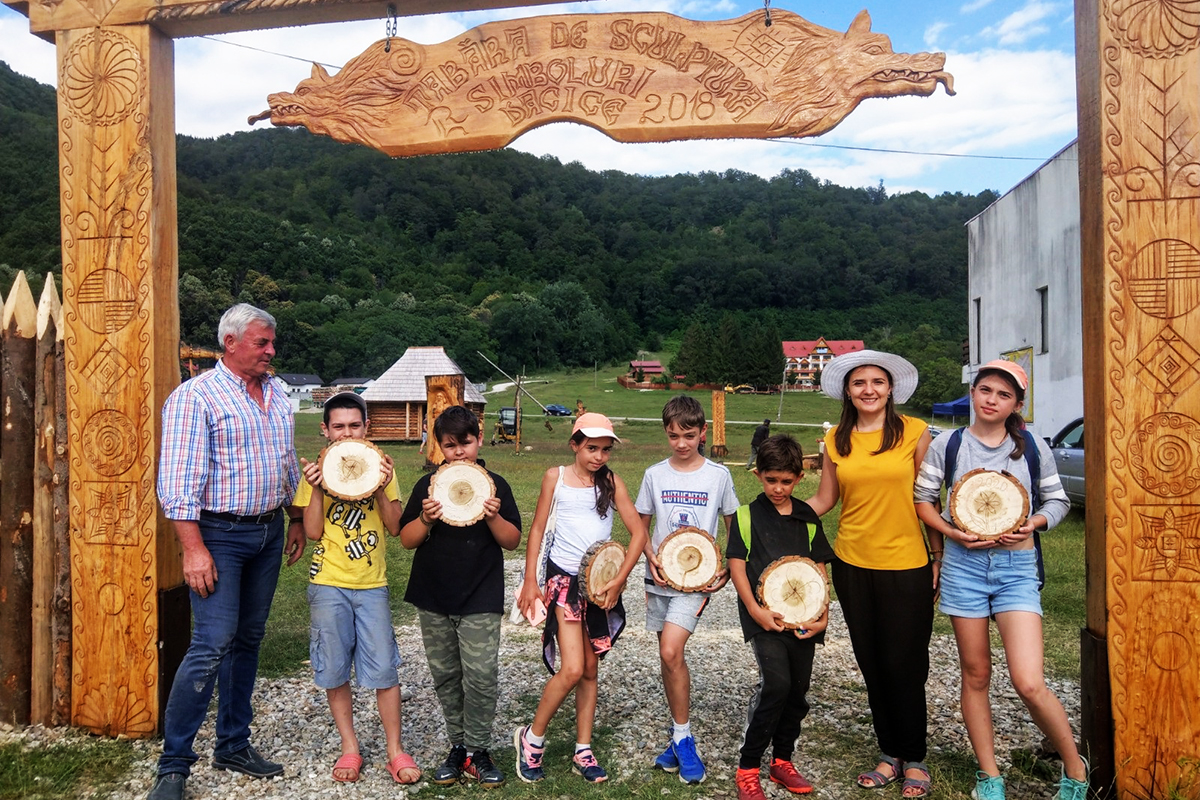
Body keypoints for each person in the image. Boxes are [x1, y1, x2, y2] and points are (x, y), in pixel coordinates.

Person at [151, 303, 305, 800]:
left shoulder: (277, 393)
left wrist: (295, 517)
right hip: (218, 534)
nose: (271, 351)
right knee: (212, 642)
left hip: (268, 531)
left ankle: (233, 744)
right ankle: (173, 765)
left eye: (272, 342)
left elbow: (285, 463)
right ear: (231, 343)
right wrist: (193, 549)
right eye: (262, 342)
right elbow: (177, 482)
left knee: (248, 639)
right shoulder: (195, 397)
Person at [914, 360, 1086, 800]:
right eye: (985, 390)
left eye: (1003, 395)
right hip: (964, 569)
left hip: (1016, 569)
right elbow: (923, 499)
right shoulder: (948, 444)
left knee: (1028, 681)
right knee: (975, 675)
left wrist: (1034, 523)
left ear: (1017, 405)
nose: (992, 400)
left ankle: (1075, 769)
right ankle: (989, 777)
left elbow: (1058, 500)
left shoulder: (1031, 447)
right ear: (973, 393)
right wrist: (951, 533)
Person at [807, 350, 936, 799]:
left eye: (877, 382)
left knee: (906, 663)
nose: (868, 389)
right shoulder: (836, 439)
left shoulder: (915, 432)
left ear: (890, 388)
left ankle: (914, 757)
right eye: (859, 382)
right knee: (872, 661)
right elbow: (826, 499)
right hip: (852, 563)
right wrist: (777, 512)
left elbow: (928, 499)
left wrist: (938, 556)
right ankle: (889, 752)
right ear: (847, 391)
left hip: (907, 564)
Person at [514, 413, 649, 784]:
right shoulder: (555, 477)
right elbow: (537, 529)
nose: (598, 456)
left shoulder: (612, 482)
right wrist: (531, 580)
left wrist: (619, 580)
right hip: (563, 585)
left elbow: (638, 534)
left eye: (605, 450)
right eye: (591, 448)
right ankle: (532, 739)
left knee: (590, 669)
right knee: (573, 668)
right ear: (574, 445)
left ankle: (583, 750)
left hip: (599, 586)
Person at [295, 392, 420, 784]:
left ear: (367, 427)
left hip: (371, 584)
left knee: (384, 668)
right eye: (338, 426)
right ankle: (349, 747)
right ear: (325, 430)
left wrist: (380, 486)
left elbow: (396, 526)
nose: (346, 433)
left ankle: (395, 750)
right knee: (334, 669)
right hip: (328, 582)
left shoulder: (381, 466)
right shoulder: (316, 471)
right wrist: (317, 488)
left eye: (354, 425)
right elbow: (313, 531)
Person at [398, 406, 522, 788]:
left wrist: (493, 516)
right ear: (439, 447)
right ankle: (458, 746)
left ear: (479, 439)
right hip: (433, 594)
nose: (459, 452)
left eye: (465, 443)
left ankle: (479, 750)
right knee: (446, 675)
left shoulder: (495, 486)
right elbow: (406, 540)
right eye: (450, 445)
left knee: (481, 675)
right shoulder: (428, 487)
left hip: (481, 595)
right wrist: (426, 519)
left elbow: (512, 541)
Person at [636, 395, 739, 784]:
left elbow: (733, 526)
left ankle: (683, 736)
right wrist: (650, 558)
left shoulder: (718, 476)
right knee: (669, 658)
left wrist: (728, 567)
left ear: (703, 433)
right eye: (673, 435)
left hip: (697, 580)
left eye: (689, 435)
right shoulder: (654, 475)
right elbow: (640, 525)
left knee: (670, 649)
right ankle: (678, 739)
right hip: (661, 578)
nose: (681, 443)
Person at [727, 434, 835, 800]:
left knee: (798, 691)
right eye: (771, 479)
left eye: (786, 481)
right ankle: (748, 768)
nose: (778, 488)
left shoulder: (807, 518)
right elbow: (737, 566)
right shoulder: (746, 516)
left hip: (804, 619)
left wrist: (823, 616)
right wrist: (755, 610)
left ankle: (782, 761)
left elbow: (819, 570)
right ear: (758, 474)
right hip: (764, 618)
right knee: (776, 685)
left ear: (799, 478)